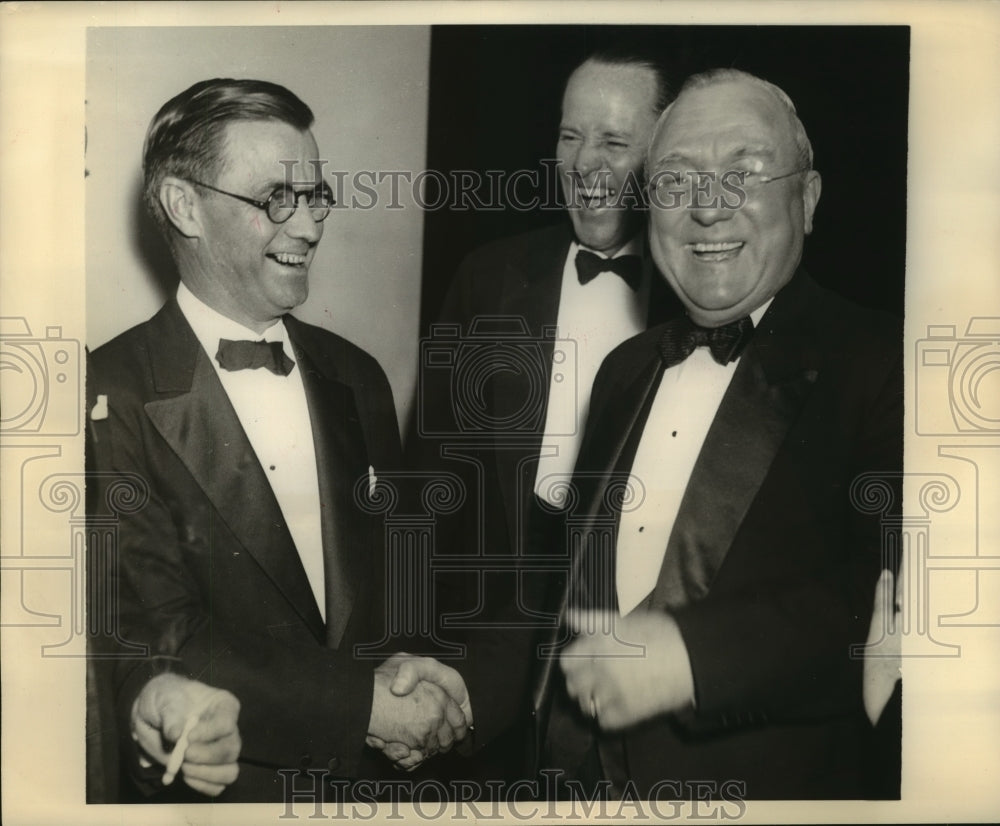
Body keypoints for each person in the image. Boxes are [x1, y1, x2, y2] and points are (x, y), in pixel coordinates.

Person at [86, 78, 471, 802]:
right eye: (276, 199)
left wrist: (419, 676)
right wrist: (366, 707)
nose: (309, 227)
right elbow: (165, 640)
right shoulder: (109, 394)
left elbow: (391, 596)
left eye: (315, 196)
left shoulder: (357, 375)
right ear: (184, 205)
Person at [535, 68, 903, 799]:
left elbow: (904, 604)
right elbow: (569, 596)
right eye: (675, 180)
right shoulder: (623, 370)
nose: (706, 209)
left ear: (808, 199)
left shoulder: (890, 362)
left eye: (745, 173)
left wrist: (696, 658)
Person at [401, 49, 679, 782]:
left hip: (635, 640)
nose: (585, 164)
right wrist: (414, 645)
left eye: (615, 142)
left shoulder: (698, 297)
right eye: (568, 137)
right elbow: (426, 484)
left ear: (667, 153)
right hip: (486, 636)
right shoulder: (486, 277)